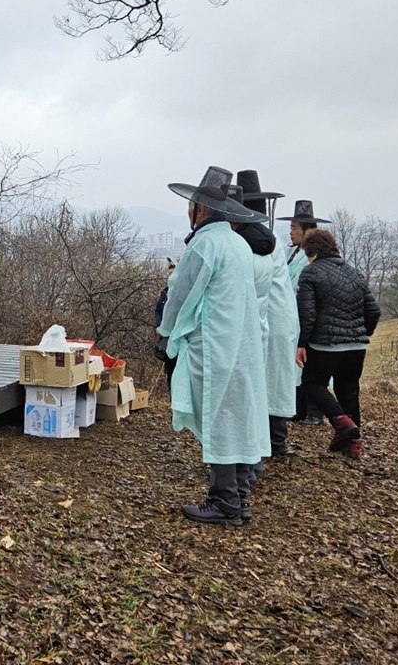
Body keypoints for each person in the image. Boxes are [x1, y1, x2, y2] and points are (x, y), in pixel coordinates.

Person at [159, 167, 269, 528]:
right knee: (234, 416)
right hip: (239, 345)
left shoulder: (205, 244)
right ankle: (238, 495)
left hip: (214, 345)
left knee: (219, 416)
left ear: (200, 210)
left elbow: (181, 294)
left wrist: (166, 333)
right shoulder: (238, 243)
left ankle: (224, 502)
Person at [295, 228, 381, 460]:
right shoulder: (354, 273)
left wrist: (302, 343)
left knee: (312, 384)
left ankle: (341, 422)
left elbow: (308, 314)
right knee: (349, 391)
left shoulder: (310, 273)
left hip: (325, 344)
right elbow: (373, 310)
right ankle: (353, 446)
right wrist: (361, 333)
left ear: (310, 250)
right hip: (356, 346)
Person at [236, 171, 299, 463]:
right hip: (279, 315)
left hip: (269, 316)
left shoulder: (254, 240)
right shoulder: (267, 237)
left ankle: (270, 444)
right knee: (272, 381)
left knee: (265, 382)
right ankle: (274, 442)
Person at [277, 200, 335, 425]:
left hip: (310, 316)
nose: (291, 233)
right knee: (294, 366)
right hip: (292, 315)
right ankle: (298, 408)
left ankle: (315, 410)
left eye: (294, 228)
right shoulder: (290, 253)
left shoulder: (315, 259)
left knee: (311, 365)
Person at [152, 258, 176, 387]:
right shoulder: (164, 292)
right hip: (165, 338)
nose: (170, 277)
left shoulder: (181, 292)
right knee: (169, 372)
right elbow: (158, 310)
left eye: (172, 274)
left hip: (177, 339)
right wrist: (159, 326)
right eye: (168, 274)